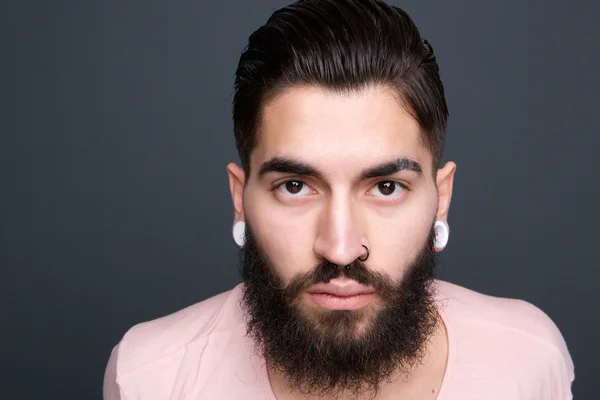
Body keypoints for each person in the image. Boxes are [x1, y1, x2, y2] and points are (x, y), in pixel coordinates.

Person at [103, 0, 575, 398]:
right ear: (240, 198)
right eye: (295, 186)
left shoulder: (529, 362)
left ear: (441, 198)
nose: (341, 248)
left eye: (386, 187)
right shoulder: (148, 378)